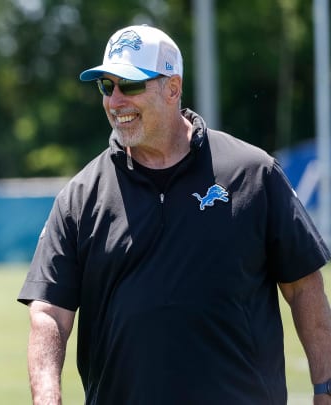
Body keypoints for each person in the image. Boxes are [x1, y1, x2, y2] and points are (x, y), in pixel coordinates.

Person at [18, 24, 331, 404]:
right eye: (106, 87)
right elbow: (50, 311)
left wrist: (325, 387)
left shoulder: (253, 172)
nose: (116, 101)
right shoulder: (81, 195)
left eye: (130, 85)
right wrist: (47, 397)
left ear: (172, 88)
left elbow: (304, 286)